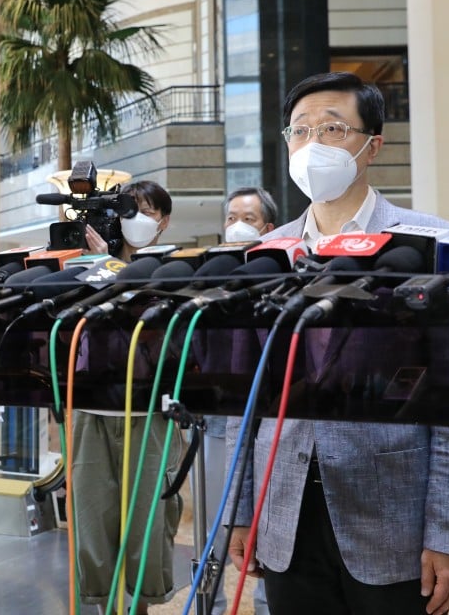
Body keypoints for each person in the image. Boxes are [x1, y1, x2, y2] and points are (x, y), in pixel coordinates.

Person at [223, 72, 449, 615]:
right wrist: (240, 509)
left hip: (394, 519)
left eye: (332, 128)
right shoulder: (266, 258)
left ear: (372, 146)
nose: (313, 144)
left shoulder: (435, 246)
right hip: (284, 513)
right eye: (300, 131)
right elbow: (241, 402)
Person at [74, 180, 183, 614]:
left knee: (148, 522)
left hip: (151, 412)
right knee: (91, 521)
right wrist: (97, 264)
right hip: (90, 410)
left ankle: (139, 606)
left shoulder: (172, 269)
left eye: (147, 211)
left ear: (165, 220)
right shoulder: (88, 268)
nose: (136, 219)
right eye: (129, 209)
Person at [204, 187, 276, 615]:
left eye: (247, 217)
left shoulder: (284, 276)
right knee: (221, 523)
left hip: (271, 422)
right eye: (231, 217)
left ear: (268, 228)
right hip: (217, 420)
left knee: (270, 525)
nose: (237, 224)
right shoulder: (211, 277)